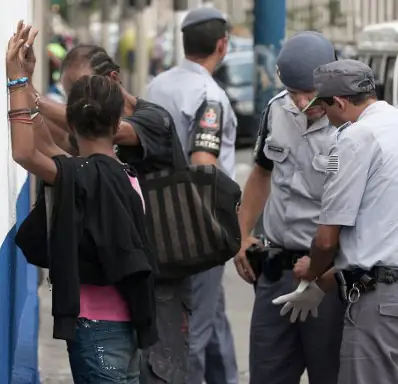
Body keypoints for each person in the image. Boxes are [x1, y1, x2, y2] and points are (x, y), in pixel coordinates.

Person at [23, 28, 190, 383]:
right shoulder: (95, 164)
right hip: (123, 290)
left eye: (82, 93)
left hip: (158, 282)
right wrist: (23, 88)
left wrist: (23, 91)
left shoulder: (152, 121)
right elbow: (55, 145)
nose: (82, 101)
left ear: (112, 83)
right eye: (72, 95)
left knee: (162, 372)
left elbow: (64, 139)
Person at [234, 31, 345, 384]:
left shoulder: (350, 127)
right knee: (266, 373)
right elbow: (261, 175)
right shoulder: (275, 109)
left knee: (329, 373)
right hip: (276, 270)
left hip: (326, 275)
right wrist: (241, 235)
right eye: (293, 91)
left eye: (309, 94)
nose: (299, 102)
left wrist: (323, 267)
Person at [279, 59, 398, 384]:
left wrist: (312, 270)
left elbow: (327, 240)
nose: (325, 116)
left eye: (323, 105)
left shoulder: (355, 138)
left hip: (380, 305)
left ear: (340, 103)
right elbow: (381, 238)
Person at [144, 7, 238, 384]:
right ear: (222, 45)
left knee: (212, 320)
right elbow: (204, 165)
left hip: (156, 219)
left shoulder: (156, 86)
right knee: (193, 332)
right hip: (196, 230)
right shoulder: (209, 95)